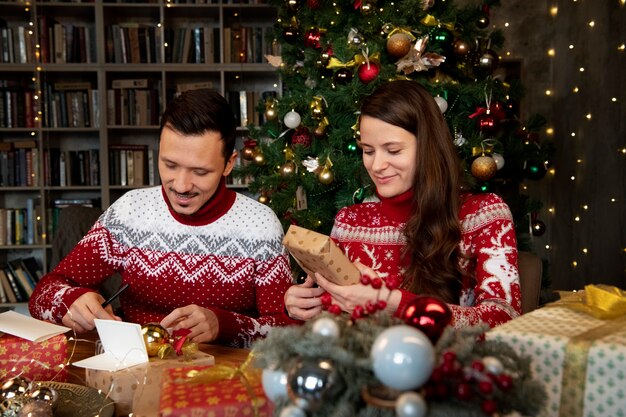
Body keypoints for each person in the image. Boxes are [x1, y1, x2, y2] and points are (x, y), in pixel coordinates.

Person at [29, 88, 295, 348]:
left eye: (200, 172)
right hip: (135, 370)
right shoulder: (130, 212)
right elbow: (43, 294)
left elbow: (288, 331)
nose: (180, 186)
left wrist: (224, 325)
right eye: (169, 165)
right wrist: (70, 300)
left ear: (229, 163)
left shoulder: (261, 225)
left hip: (225, 377)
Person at [284, 80, 521, 329]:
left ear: (428, 147)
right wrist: (304, 307)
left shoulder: (483, 214)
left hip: (444, 366)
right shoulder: (349, 221)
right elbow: (336, 326)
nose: (376, 166)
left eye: (393, 151)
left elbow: (504, 321)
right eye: (368, 150)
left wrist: (391, 302)